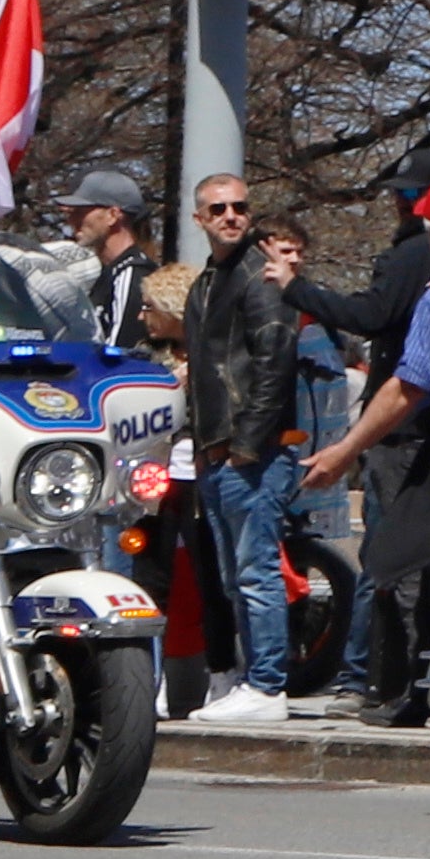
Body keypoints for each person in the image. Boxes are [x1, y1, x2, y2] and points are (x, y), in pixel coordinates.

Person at [284, 147, 430, 720]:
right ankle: (419, 679)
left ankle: (376, 679)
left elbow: (395, 360)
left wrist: (295, 287)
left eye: (412, 196)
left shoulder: (425, 266)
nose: (400, 203)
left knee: (389, 557)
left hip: (408, 430)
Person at [179, 167, 308, 724]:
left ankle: (267, 686)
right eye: (219, 210)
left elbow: (274, 361)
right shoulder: (207, 283)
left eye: (239, 207)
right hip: (215, 451)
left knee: (255, 571)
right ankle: (251, 679)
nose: (231, 216)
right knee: (235, 575)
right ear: (200, 219)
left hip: (249, 451)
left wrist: (247, 447)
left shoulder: (261, 277)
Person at [54, 164, 160, 347]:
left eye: (81, 212)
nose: (71, 221)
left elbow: (119, 353)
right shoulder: (107, 273)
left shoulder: (133, 274)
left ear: (113, 215)